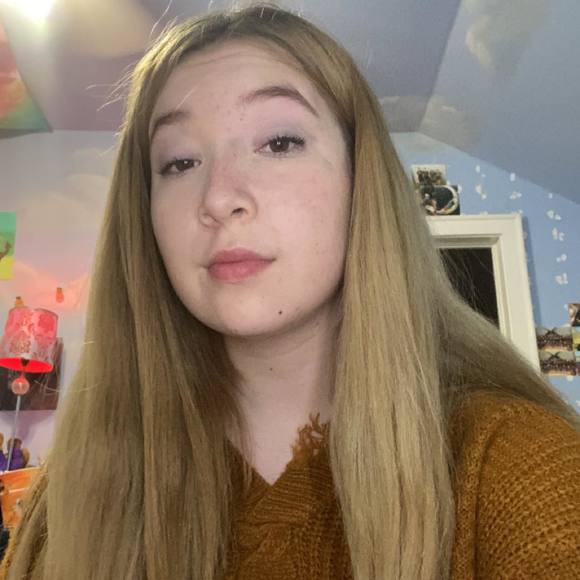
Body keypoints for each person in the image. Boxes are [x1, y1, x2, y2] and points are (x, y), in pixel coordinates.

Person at [1, 3, 579, 579]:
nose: (218, 198)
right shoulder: (78, 495)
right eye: (179, 162)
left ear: (361, 179)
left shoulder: (519, 467)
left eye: (279, 142)